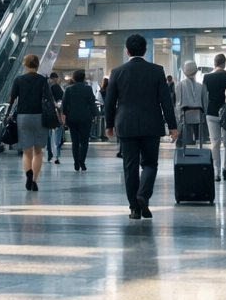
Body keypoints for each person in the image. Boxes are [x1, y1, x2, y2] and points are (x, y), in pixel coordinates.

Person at [104, 34, 178, 220]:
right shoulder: (157, 71)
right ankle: (143, 194)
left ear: (127, 51)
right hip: (151, 123)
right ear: (145, 50)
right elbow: (165, 101)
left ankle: (134, 209)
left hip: (125, 124)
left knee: (130, 167)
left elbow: (110, 102)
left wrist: (109, 124)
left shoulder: (117, 71)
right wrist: (173, 125)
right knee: (150, 163)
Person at [9, 54, 53, 191]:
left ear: (25, 64)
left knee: (26, 152)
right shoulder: (43, 80)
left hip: (23, 116)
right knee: (38, 151)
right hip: (40, 116)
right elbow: (49, 99)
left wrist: (8, 114)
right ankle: (34, 180)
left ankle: (28, 175)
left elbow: (12, 99)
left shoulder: (19, 80)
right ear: (37, 65)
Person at [203, 53, 226, 181]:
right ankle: (225, 169)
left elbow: (205, 96)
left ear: (214, 63)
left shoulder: (207, 77)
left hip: (212, 112)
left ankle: (216, 171)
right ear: (224, 63)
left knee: (215, 143)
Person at [62, 69, 98, 171]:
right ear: (83, 78)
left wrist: (65, 114)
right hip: (85, 117)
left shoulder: (69, 89)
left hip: (72, 118)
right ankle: (82, 161)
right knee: (84, 141)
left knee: (75, 141)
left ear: (74, 78)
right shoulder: (88, 89)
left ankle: (76, 162)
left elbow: (65, 104)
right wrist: (95, 114)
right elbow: (91, 103)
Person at [175, 61, 206, 147]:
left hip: (184, 117)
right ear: (196, 71)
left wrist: (178, 118)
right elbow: (204, 104)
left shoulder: (179, 86)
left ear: (184, 72)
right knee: (198, 138)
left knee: (184, 137)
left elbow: (178, 104)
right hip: (199, 117)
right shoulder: (201, 86)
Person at [48, 71, 66, 163]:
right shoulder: (56, 87)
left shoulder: (46, 87)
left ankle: (49, 154)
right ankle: (56, 155)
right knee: (57, 135)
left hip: (47, 115)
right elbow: (61, 99)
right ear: (55, 78)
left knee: (49, 135)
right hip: (57, 114)